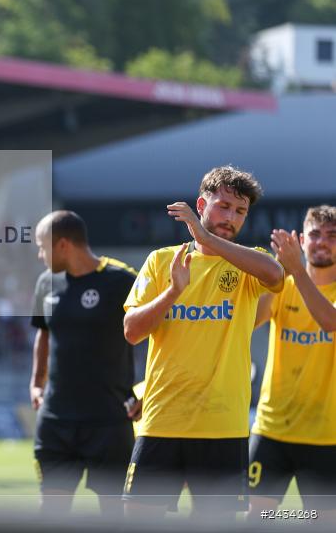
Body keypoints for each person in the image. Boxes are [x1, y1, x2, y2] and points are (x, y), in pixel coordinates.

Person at [121, 166, 284, 519]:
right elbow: (132, 331)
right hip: (162, 421)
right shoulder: (163, 261)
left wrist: (208, 241)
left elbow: (276, 276)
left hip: (222, 426)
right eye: (223, 206)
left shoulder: (250, 264)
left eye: (240, 211)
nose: (231, 217)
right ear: (201, 204)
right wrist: (173, 291)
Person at [30, 210, 140, 516]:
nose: (40, 255)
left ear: (63, 245)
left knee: (113, 515)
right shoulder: (45, 283)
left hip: (109, 421)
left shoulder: (122, 281)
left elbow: (160, 335)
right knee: (51, 512)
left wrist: (148, 391)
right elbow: (43, 334)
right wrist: (36, 383)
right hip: (56, 420)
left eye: (42, 246)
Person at [248, 205, 336, 517]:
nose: (322, 242)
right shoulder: (285, 284)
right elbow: (251, 322)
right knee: (256, 520)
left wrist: (296, 271)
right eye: (315, 234)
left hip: (327, 435)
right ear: (301, 239)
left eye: (332, 236)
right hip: (272, 430)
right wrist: (280, 272)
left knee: (322, 523)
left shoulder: (301, 279)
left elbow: (330, 321)